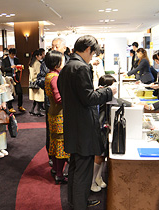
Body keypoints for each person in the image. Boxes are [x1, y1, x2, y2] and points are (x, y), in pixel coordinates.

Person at [58, 35, 117, 209]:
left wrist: (94, 92)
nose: (92, 57)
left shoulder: (67, 66)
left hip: (73, 123)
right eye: (92, 53)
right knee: (83, 170)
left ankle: (76, 201)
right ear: (87, 49)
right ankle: (80, 204)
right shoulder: (81, 67)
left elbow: (77, 95)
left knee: (76, 167)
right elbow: (88, 99)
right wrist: (108, 91)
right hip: (83, 126)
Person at [36, 37, 68, 167]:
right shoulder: (49, 68)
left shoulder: (69, 61)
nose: (54, 49)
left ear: (64, 48)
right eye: (52, 46)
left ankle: (61, 161)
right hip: (54, 106)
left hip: (62, 107)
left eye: (57, 46)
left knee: (62, 136)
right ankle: (55, 161)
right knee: (54, 136)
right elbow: (40, 80)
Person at [44, 50, 70, 184]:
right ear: (57, 62)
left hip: (53, 112)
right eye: (62, 60)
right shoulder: (55, 77)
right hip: (59, 114)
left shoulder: (49, 75)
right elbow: (59, 98)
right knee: (60, 143)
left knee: (54, 142)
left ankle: (55, 169)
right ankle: (59, 174)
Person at [91, 74, 116, 193]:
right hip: (99, 128)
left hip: (104, 128)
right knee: (99, 155)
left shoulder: (101, 94)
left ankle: (98, 177)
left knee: (103, 154)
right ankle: (91, 182)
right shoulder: (102, 96)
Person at [1, 48, 26, 113]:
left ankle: (20, 106)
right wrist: (11, 67)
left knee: (20, 91)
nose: (13, 56)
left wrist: (18, 68)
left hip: (15, 77)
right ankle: (10, 107)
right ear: (9, 54)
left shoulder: (16, 59)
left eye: (14, 54)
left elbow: (17, 67)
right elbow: (3, 69)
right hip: (8, 77)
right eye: (12, 54)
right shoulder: (4, 60)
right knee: (10, 92)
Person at [28, 49, 45, 117]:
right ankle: (37, 111)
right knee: (40, 98)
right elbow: (39, 73)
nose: (41, 56)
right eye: (40, 55)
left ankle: (33, 110)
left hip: (33, 82)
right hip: (37, 82)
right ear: (36, 56)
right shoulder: (37, 63)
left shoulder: (32, 62)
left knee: (36, 99)